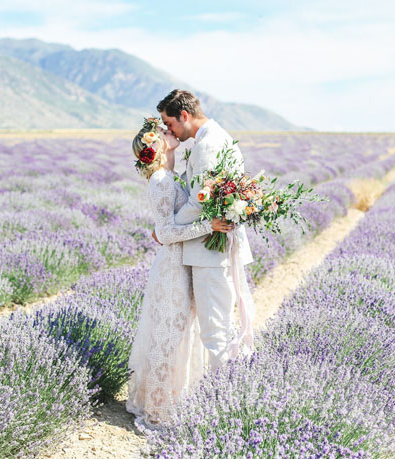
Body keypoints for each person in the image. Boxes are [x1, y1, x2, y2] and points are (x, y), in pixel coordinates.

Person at [125, 118, 233, 425]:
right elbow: (167, 232)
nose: (169, 132)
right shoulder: (161, 180)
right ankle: (159, 409)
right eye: (162, 132)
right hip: (172, 267)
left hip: (184, 262)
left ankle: (174, 398)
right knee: (169, 335)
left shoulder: (172, 175)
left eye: (167, 127)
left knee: (183, 332)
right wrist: (208, 226)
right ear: (156, 147)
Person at [156, 89, 254, 371]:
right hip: (212, 246)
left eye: (170, 123)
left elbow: (200, 202)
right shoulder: (212, 138)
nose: (169, 130)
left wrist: (169, 226)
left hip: (212, 251)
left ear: (184, 115)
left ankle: (225, 399)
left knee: (215, 331)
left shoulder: (209, 144)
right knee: (219, 326)